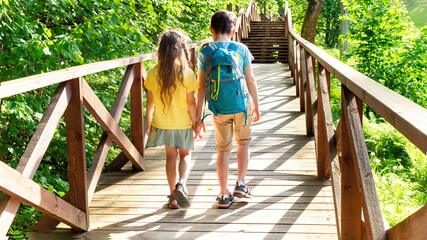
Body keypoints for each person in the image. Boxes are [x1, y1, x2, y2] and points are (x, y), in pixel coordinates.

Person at [196, 10, 260, 209]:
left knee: (223, 150)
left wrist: (198, 118)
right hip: (242, 105)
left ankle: (224, 194)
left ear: (211, 30)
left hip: (219, 108)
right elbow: (250, 79)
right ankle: (241, 183)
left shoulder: (205, 53)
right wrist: (256, 105)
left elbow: (201, 86)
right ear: (233, 31)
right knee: (244, 144)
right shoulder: (241, 49)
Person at [145, 29, 198, 209]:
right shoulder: (187, 73)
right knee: (185, 155)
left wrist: (148, 121)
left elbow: (150, 101)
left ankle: (172, 197)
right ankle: (182, 184)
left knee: (170, 157)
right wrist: (196, 122)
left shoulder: (152, 72)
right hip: (183, 123)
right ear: (180, 50)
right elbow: (191, 102)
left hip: (163, 123)